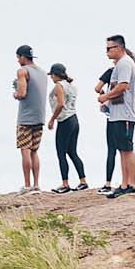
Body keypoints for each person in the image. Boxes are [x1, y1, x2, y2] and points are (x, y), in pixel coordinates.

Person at [96, 34, 135, 196]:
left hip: (125, 114)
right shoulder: (121, 64)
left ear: (119, 48)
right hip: (118, 114)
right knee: (121, 149)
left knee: (127, 148)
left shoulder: (124, 63)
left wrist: (105, 96)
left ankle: (131, 183)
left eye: (109, 48)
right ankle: (125, 183)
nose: (107, 52)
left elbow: (123, 86)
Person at [11, 45, 50, 192]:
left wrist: (15, 93)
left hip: (26, 117)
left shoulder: (23, 71)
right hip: (39, 116)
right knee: (34, 151)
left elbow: (22, 93)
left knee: (25, 150)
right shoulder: (42, 73)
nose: (17, 61)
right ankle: (36, 184)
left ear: (22, 57)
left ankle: (27, 185)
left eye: (18, 57)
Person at [47, 62, 87, 192]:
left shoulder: (59, 86)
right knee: (72, 152)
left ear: (56, 75)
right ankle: (83, 181)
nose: (51, 78)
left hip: (65, 121)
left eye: (51, 75)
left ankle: (65, 184)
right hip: (74, 120)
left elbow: (60, 104)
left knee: (61, 153)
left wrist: (52, 119)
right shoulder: (71, 86)